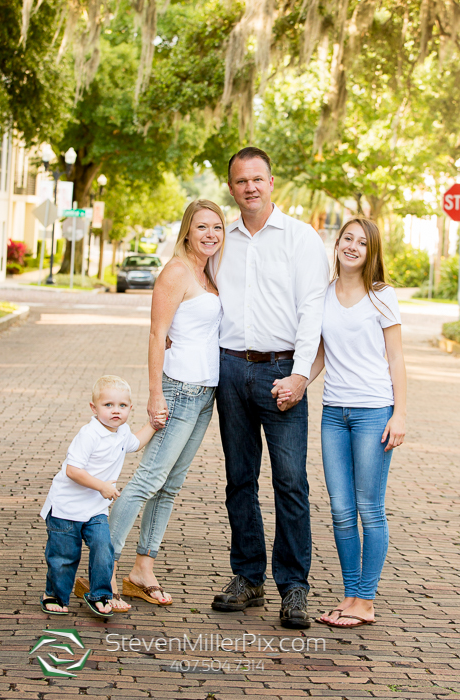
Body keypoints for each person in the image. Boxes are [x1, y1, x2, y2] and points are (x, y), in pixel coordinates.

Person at [211, 147, 329, 629]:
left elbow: (312, 312)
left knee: (289, 482)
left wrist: (301, 375)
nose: (250, 188)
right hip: (230, 370)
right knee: (239, 478)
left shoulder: (300, 238)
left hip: (281, 370)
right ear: (232, 187)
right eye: (241, 181)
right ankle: (249, 576)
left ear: (272, 182)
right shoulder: (221, 240)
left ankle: (294, 585)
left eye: (258, 179)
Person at [106, 200, 225, 609]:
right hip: (178, 391)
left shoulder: (207, 273)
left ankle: (142, 569)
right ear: (187, 231)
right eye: (202, 227)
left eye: (217, 227)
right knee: (146, 481)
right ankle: (103, 570)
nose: (210, 234)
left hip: (205, 394)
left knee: (168, 486)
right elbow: (157, 335)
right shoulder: (176, 271)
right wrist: (155, 394)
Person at [290, 217, 406, 628]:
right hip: (334, 414)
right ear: (337, 244)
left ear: (371, 251)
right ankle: (350, 596)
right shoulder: (323, 296)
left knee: (369, 508)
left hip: (374, 411)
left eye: (361, 242)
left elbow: (396, 359)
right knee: (341, 510)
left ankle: (366, 600)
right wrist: (299, 381)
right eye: (346, 239)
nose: (352, 246)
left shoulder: (382, 297)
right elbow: (320, 352)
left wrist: (400, 414)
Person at [40, 375, 164, 617]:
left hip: (95, 509)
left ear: (130, 408)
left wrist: (154, 424)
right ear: (93, 408)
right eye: (108, 405)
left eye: (122, 406)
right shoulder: (89, 434)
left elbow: (136, 443)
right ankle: (54, 594)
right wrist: (101, 487)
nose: (115, 411)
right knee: (64, 556)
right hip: (66, 508)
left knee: (103, 549)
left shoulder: (122, 431)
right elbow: (72, 470)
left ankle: (100, 594)